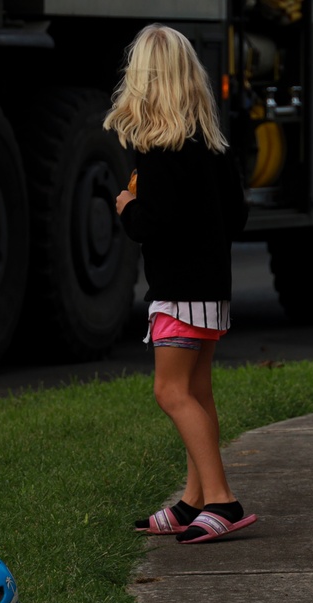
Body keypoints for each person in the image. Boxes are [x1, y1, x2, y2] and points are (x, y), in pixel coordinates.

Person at [104, 24, 256, 544]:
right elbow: (235, 218)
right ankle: (193, 500)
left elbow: (154, 224)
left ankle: (221, 499)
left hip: (177, 291)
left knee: (169, 391)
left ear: (143, 80)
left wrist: (128, 207)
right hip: (212, 290)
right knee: (197, 390)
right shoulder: (213, 146)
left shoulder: (158, 151)